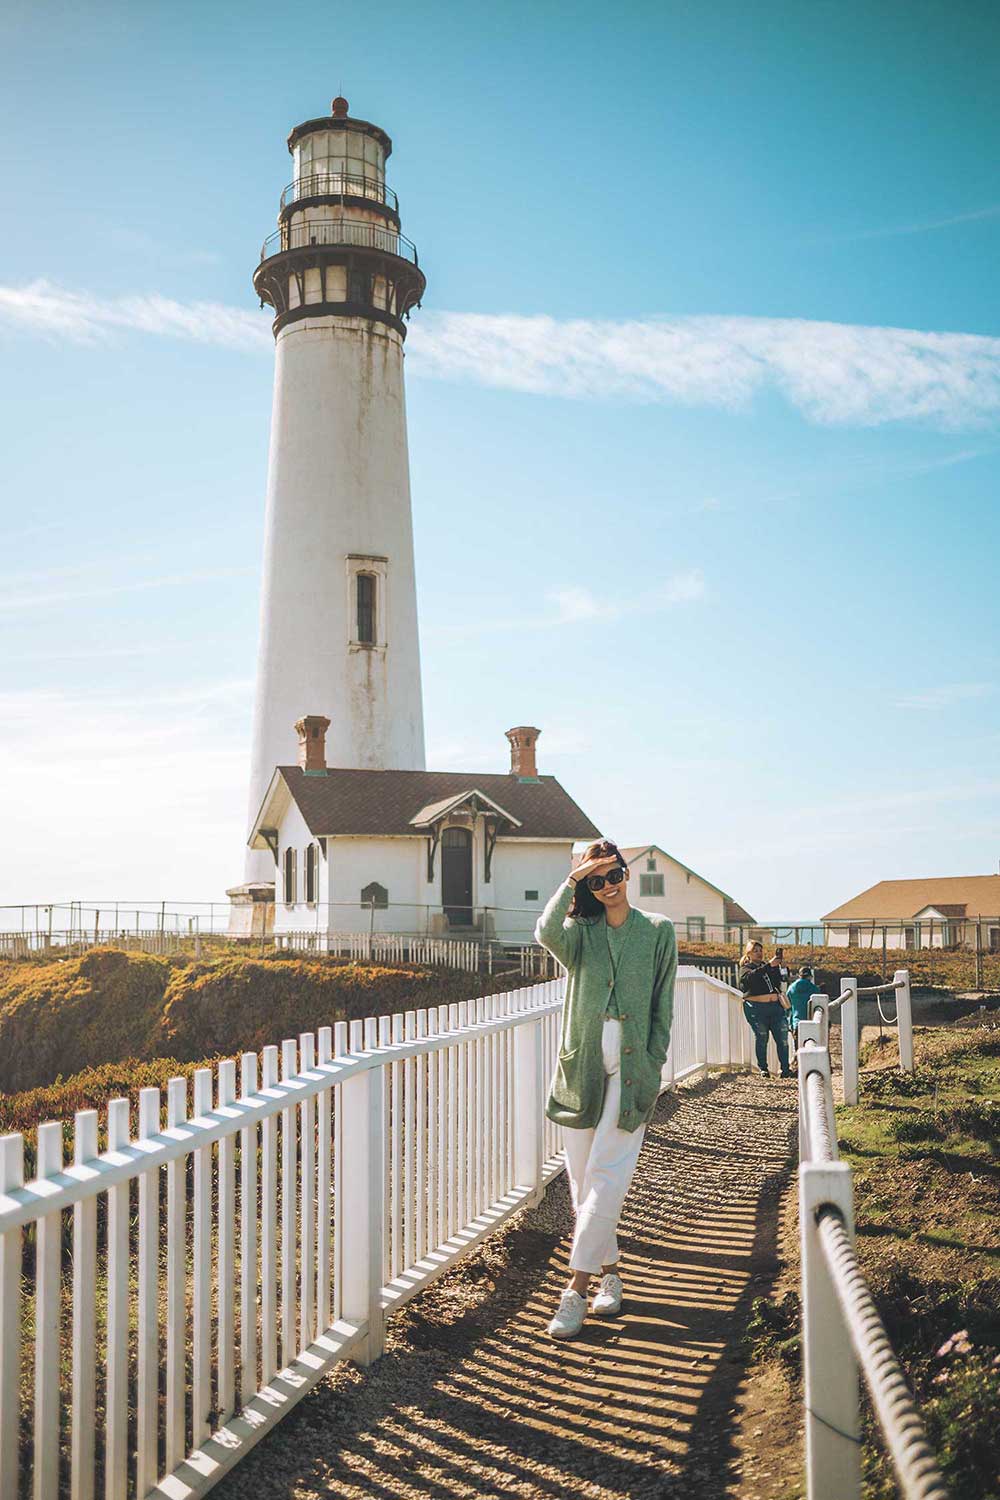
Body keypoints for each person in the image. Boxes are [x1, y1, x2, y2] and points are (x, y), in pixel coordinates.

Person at [535, 839, 677, 1340]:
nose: (608, 885)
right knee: (583, 1183)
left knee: (606, 1172)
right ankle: (611, 1275)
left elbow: (664, 1005)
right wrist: (573, 878)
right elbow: (544, 930)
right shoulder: (579, 935)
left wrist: (656, 1061)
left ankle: (573, 1290)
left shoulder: (659, 931)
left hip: (634, 1069)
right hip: (583, 1068)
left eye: (614, 874)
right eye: (597, 880)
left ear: (626, 873)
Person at [739, 938, 792, 1079]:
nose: (759, 953)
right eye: (755, 951)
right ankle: (763, 1068)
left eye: (760, 950)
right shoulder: (746, 968)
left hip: (775, 1007)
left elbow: (781, 980)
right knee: (762, 1036)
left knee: (782, 1037)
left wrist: (782, 968)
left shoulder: (767, 966)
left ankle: (785, 1069)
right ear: (748, 953)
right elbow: (750, 979)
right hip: (756, 1008)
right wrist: (769, 965)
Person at [786, 964, 822, 1036]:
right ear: (810, 977)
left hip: (796, 1023)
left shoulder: (791, 987)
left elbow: (788, 1004)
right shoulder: (814, 988)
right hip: (810, 1022)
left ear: (799, 976)